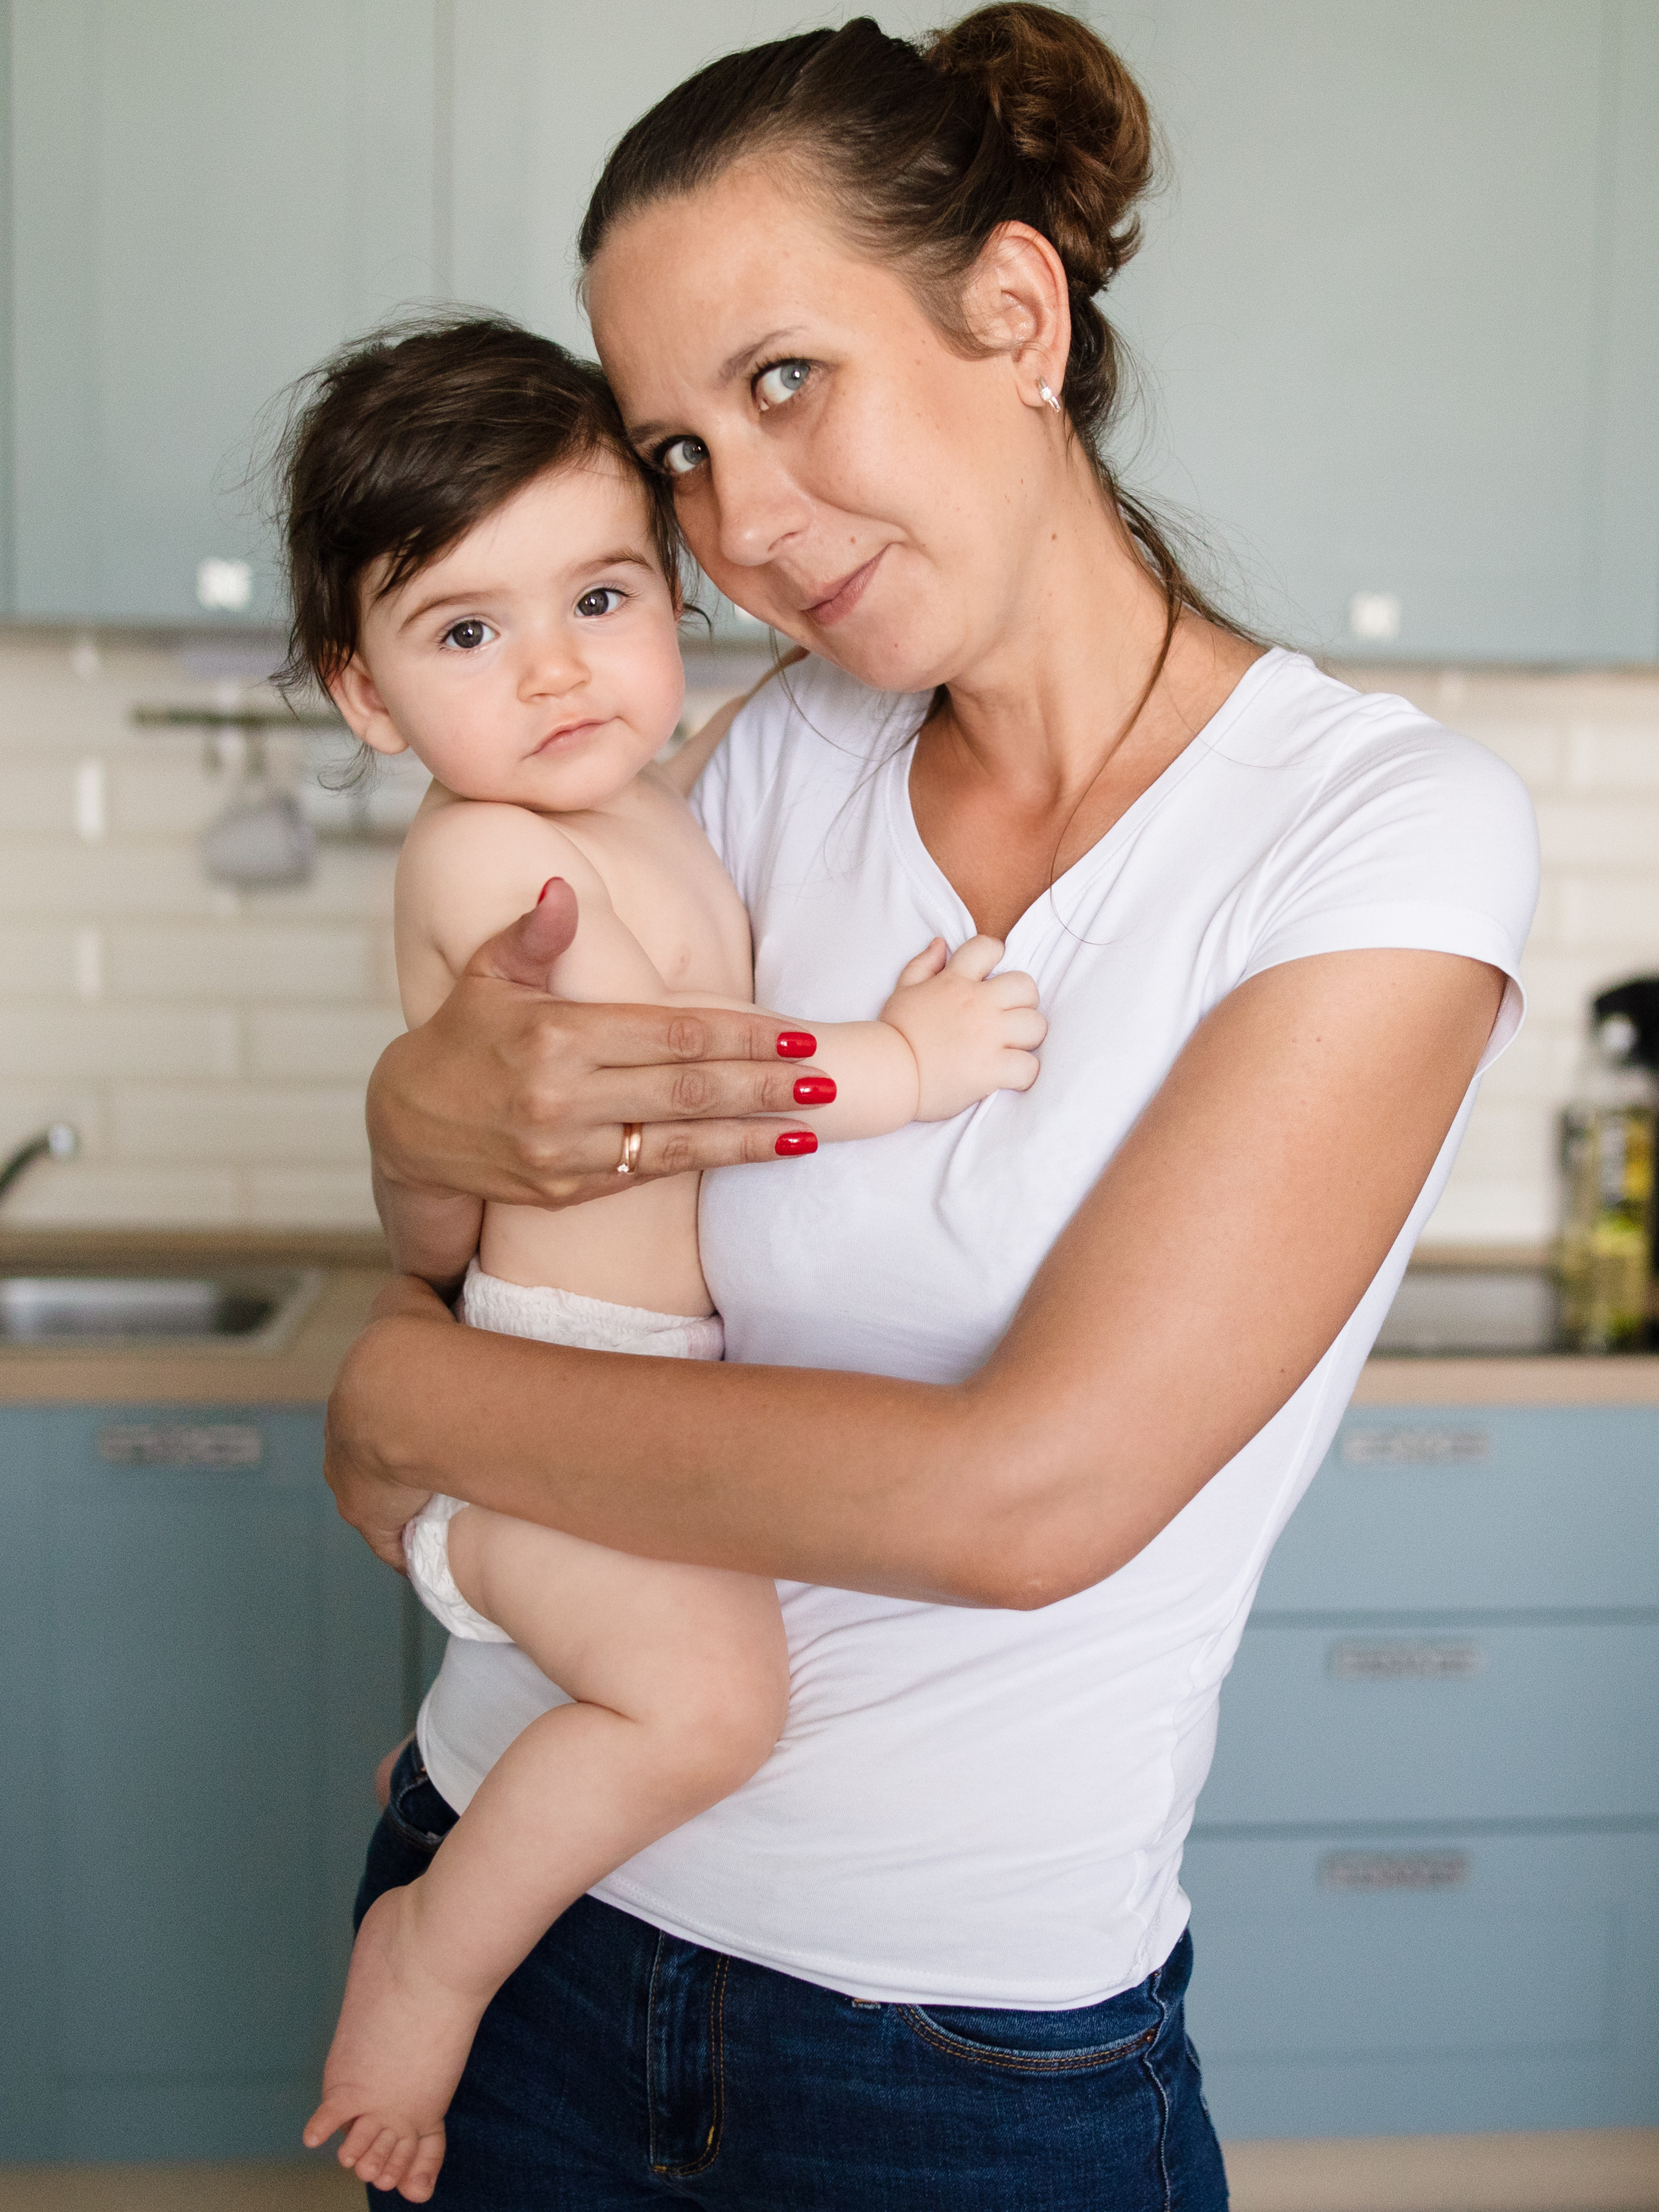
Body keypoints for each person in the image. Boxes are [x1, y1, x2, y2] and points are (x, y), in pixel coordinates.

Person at [324, 8, 1540, 2206]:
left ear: (1014, 316)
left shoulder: (1373, 834)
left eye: (787, 383)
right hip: (509, 1908)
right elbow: (496, 1211)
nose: (748, 525)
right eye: (679, 453)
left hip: (948, 2050)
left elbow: (1027, 1501)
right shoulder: (763, 764)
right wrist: (422, 1145)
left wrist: (414, 1413)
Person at [275, 318, 1044, 2200]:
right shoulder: (481, 861)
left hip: (626, 1395)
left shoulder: (649, 798)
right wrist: (903, 1067)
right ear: (363, 696)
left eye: (603, 595)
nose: (555, 670)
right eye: (466, 633)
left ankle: (453, 1768)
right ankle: (431, 1966)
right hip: (549, 1381)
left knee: (645, 1680)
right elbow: (655, 1093)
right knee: (709, 1705)